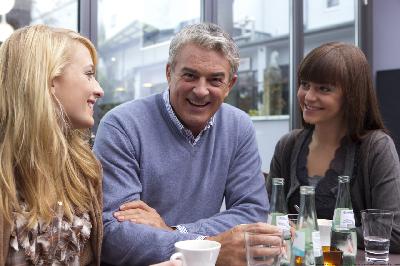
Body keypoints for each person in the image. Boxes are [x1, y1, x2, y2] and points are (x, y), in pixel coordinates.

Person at [93, 23, 272, 265]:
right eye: (190, 75)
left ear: (230, 84)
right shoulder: (122, 125)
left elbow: (252, 212)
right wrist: (209, 249)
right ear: (169, 73)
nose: (201, 90)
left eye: (215, 80)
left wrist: (175, 230)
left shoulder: (238, 126)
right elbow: (113, 234)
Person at [267, 42, 400, 253]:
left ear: (352, 95)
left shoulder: (376, 148)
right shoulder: (288, 145)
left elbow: (392, 233)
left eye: (324, 88)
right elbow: (266, 216)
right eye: (305, 84)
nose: (308, 96)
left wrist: (310, 231)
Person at [0, 25, 104, 265]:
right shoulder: (6, 175)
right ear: (48, 81)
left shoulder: (85, 169)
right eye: (89, 74)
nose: (99, 89)